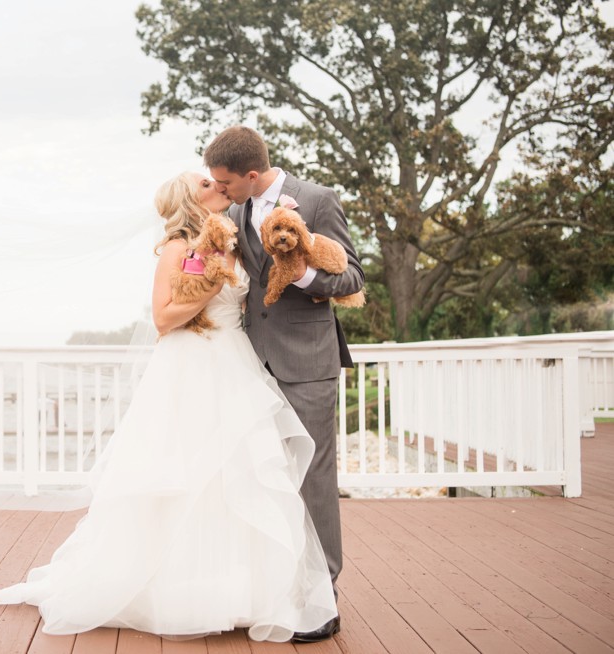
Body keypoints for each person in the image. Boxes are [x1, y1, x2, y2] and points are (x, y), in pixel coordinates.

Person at [0, 172, 337, 642]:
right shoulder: (178, 248)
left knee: (236, 474)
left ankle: (244, 590)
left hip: (235, 363)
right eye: (207, 183)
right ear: (193, 200)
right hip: (188, 366)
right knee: (184, 472)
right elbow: (162, 319)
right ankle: (172, 589)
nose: (219, 186)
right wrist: (211, 284)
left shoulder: (233, 240)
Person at [204, 125, 365, 642]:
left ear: (252, 175)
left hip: (307, 361)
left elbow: (353, 277)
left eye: (226, 184)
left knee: (314, 476)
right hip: (252, 362)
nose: (221, 192)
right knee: (265, 475)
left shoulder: (317, 200)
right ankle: (277, 585)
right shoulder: (233, 213)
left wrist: (300, 275)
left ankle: (323, 598)